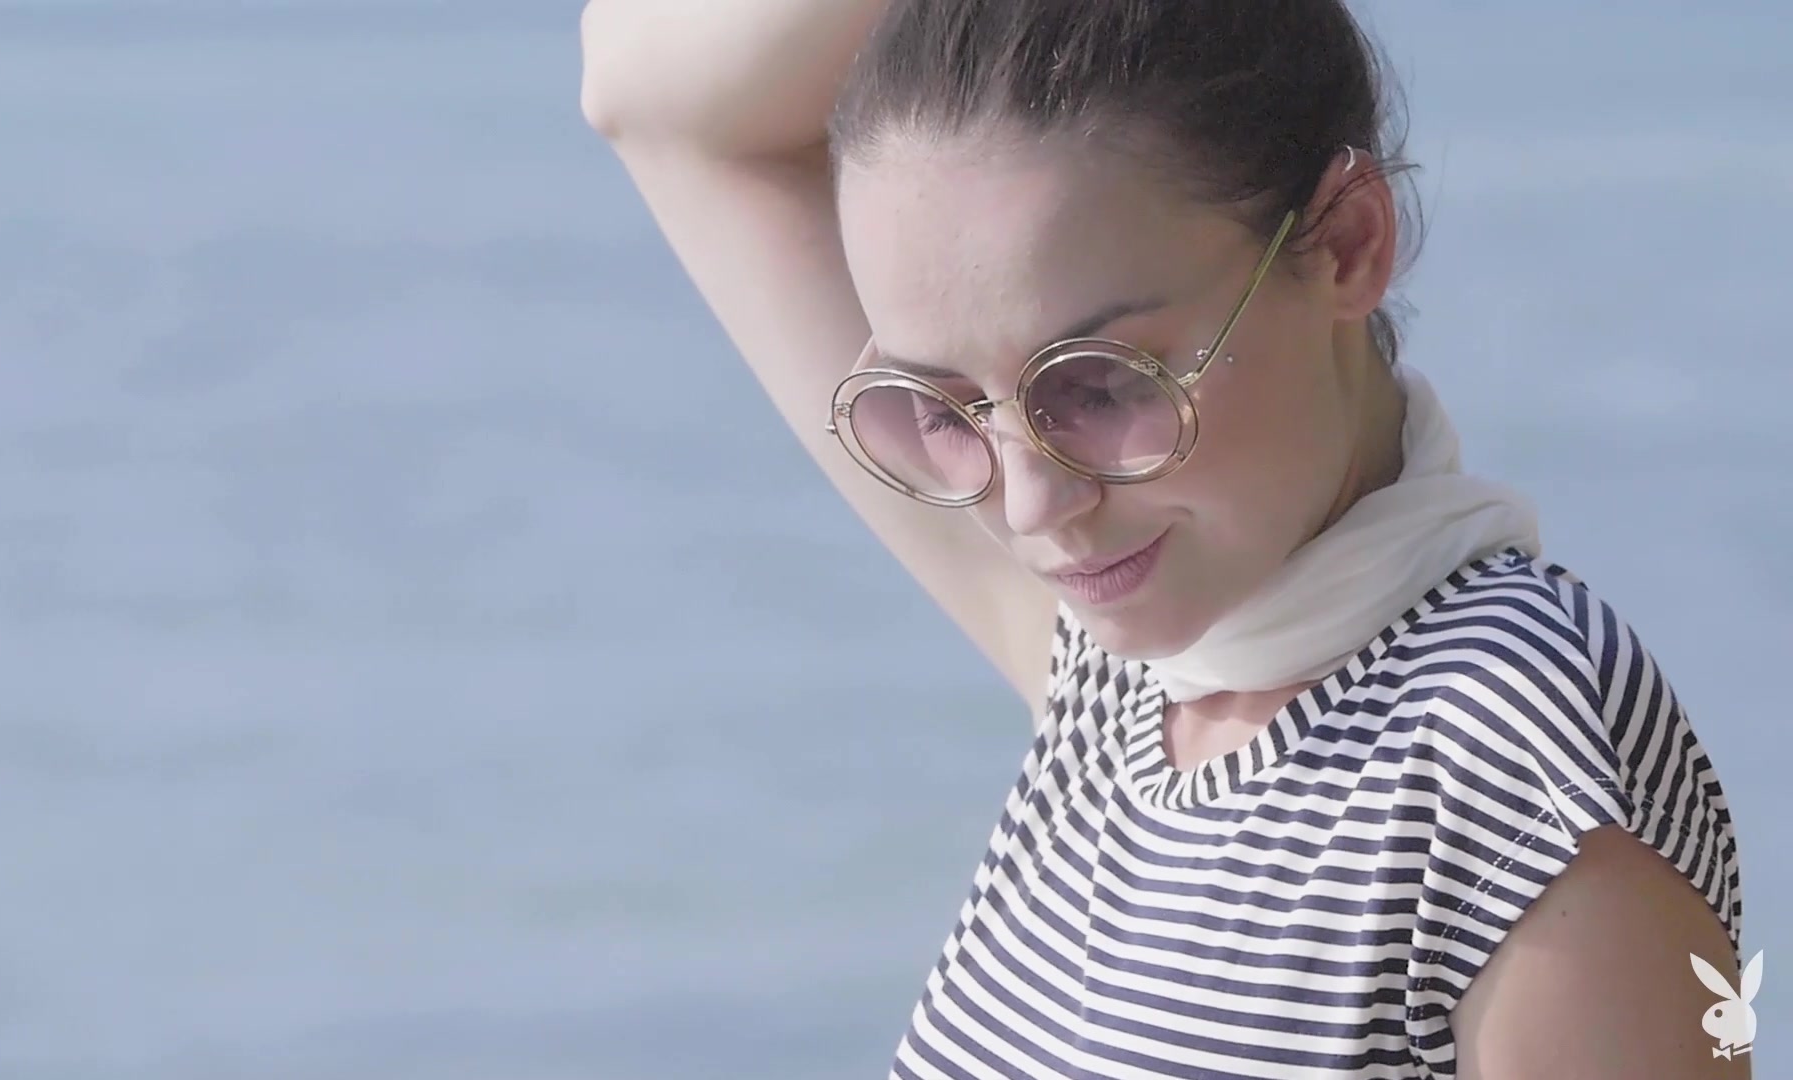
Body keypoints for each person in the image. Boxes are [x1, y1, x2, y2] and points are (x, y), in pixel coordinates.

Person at [578, 1, 1749, 1076]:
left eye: (1099, 385)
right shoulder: (1124, 672)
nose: (1031, 508)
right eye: (942, 411)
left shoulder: (1508, 765)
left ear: (1347, 243)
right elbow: (646, 95)